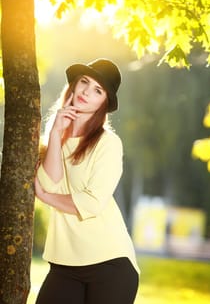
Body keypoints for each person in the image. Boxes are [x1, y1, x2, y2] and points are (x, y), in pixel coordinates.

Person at [34, 58, 140, 304]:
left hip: (109, 263)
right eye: (84, 82)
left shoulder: (108, 143)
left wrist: (47, 198)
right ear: (73, 85)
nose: (86, 92)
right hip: (63, 263)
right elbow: (48, 184)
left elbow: (91, 203)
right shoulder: (54, 139)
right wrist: (56, 134)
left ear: (104, 102)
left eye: (97, 90)